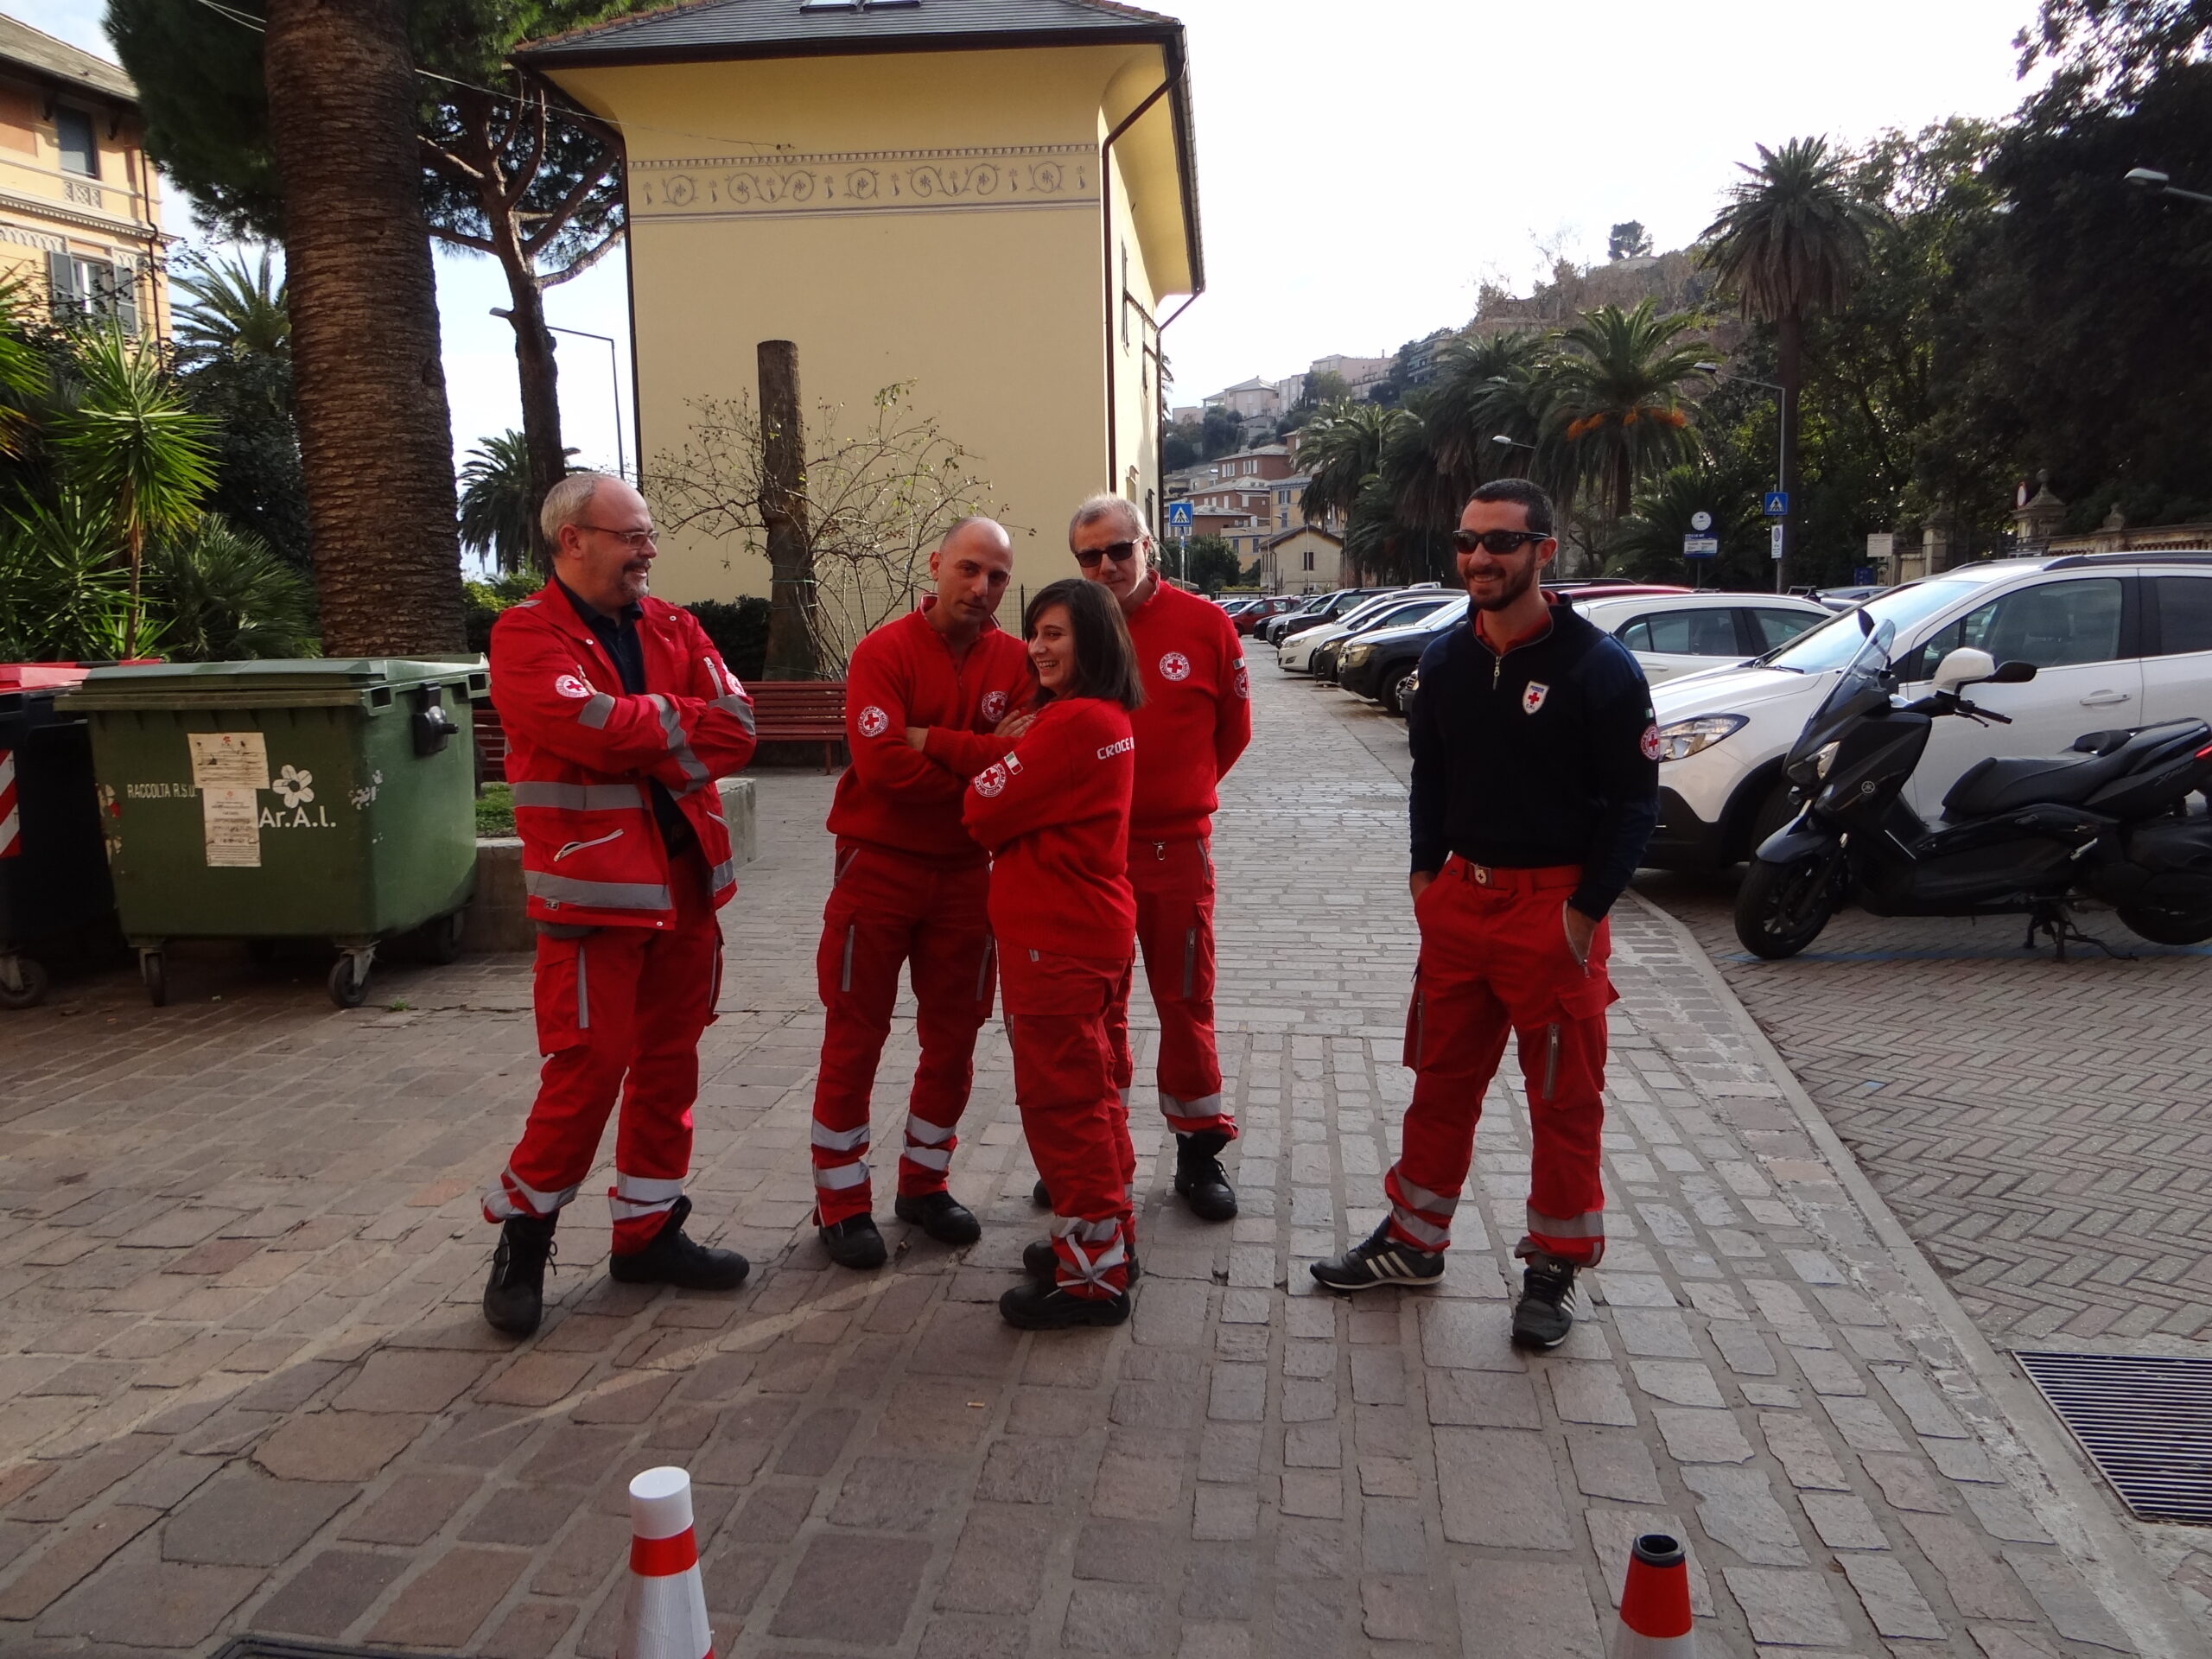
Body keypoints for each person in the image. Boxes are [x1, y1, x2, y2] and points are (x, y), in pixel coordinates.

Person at [1310, 478, 1660, 1351]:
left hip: (1553, 912)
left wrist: (1583, 914)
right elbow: (1430, 773)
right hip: (1459, 904)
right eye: (1467, 542)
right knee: (1439, 1085)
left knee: (1563, 1102)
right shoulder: (1448, 660)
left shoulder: (1597, 667)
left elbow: (1634, 803)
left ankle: (1552, 1269)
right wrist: (1424, 873)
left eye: (1501, 542)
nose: (1480, 558)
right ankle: (1413, 1240)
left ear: (1544, 550)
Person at [480, 473, 759, 1338]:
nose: (648, 551)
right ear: (573, 540)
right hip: (594, 898)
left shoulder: (673, 624)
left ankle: (646, 1233)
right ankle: (525, 1240)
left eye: (647, 535)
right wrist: (676, 720)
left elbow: (739, 725)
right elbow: (582, 727)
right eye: (630, 535)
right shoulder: (524, 636)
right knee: (588, 1070)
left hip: (685, 890)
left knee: (670, 1065)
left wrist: (638, 725)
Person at [809, 518, 1033, 1269]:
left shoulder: (1018, 660)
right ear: (935, 564)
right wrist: (988, 769)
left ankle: (924, 1184)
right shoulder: (884, 651)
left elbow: (1028, 763)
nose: (981, 588)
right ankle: (840, 1203)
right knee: (855, 1034)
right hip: (876, 867)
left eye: (997, 576)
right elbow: (880, 770)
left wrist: (933, 742)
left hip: (969, 877)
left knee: (956, 1036)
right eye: (968, 569)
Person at [944, 578, 1143, 1329]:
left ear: (1092, 639)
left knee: (1065, 1103)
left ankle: (1090, 1278)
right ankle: (1107, 1237)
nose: (1038, 647)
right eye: (1034, 633)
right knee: (1097, 1091)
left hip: (1054, 940)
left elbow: (979, 806)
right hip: (1090, 928)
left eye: (1055, 633)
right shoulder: (1107, 716)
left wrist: (1009, 752)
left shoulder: (1065, 726)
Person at [1068, 496, 1250, 1222]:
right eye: (1090, 556)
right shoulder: (1074, 630)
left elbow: (1232, 733)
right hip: (1091, 854)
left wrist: (1183, 795)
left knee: (1185, 1000)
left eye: (1119, 550)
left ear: (1149, 547)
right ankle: (1095, 1153)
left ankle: (1198, 1153)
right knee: (1095, 1009)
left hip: (1177, 852)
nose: (1107, 565)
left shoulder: (1206, 626)